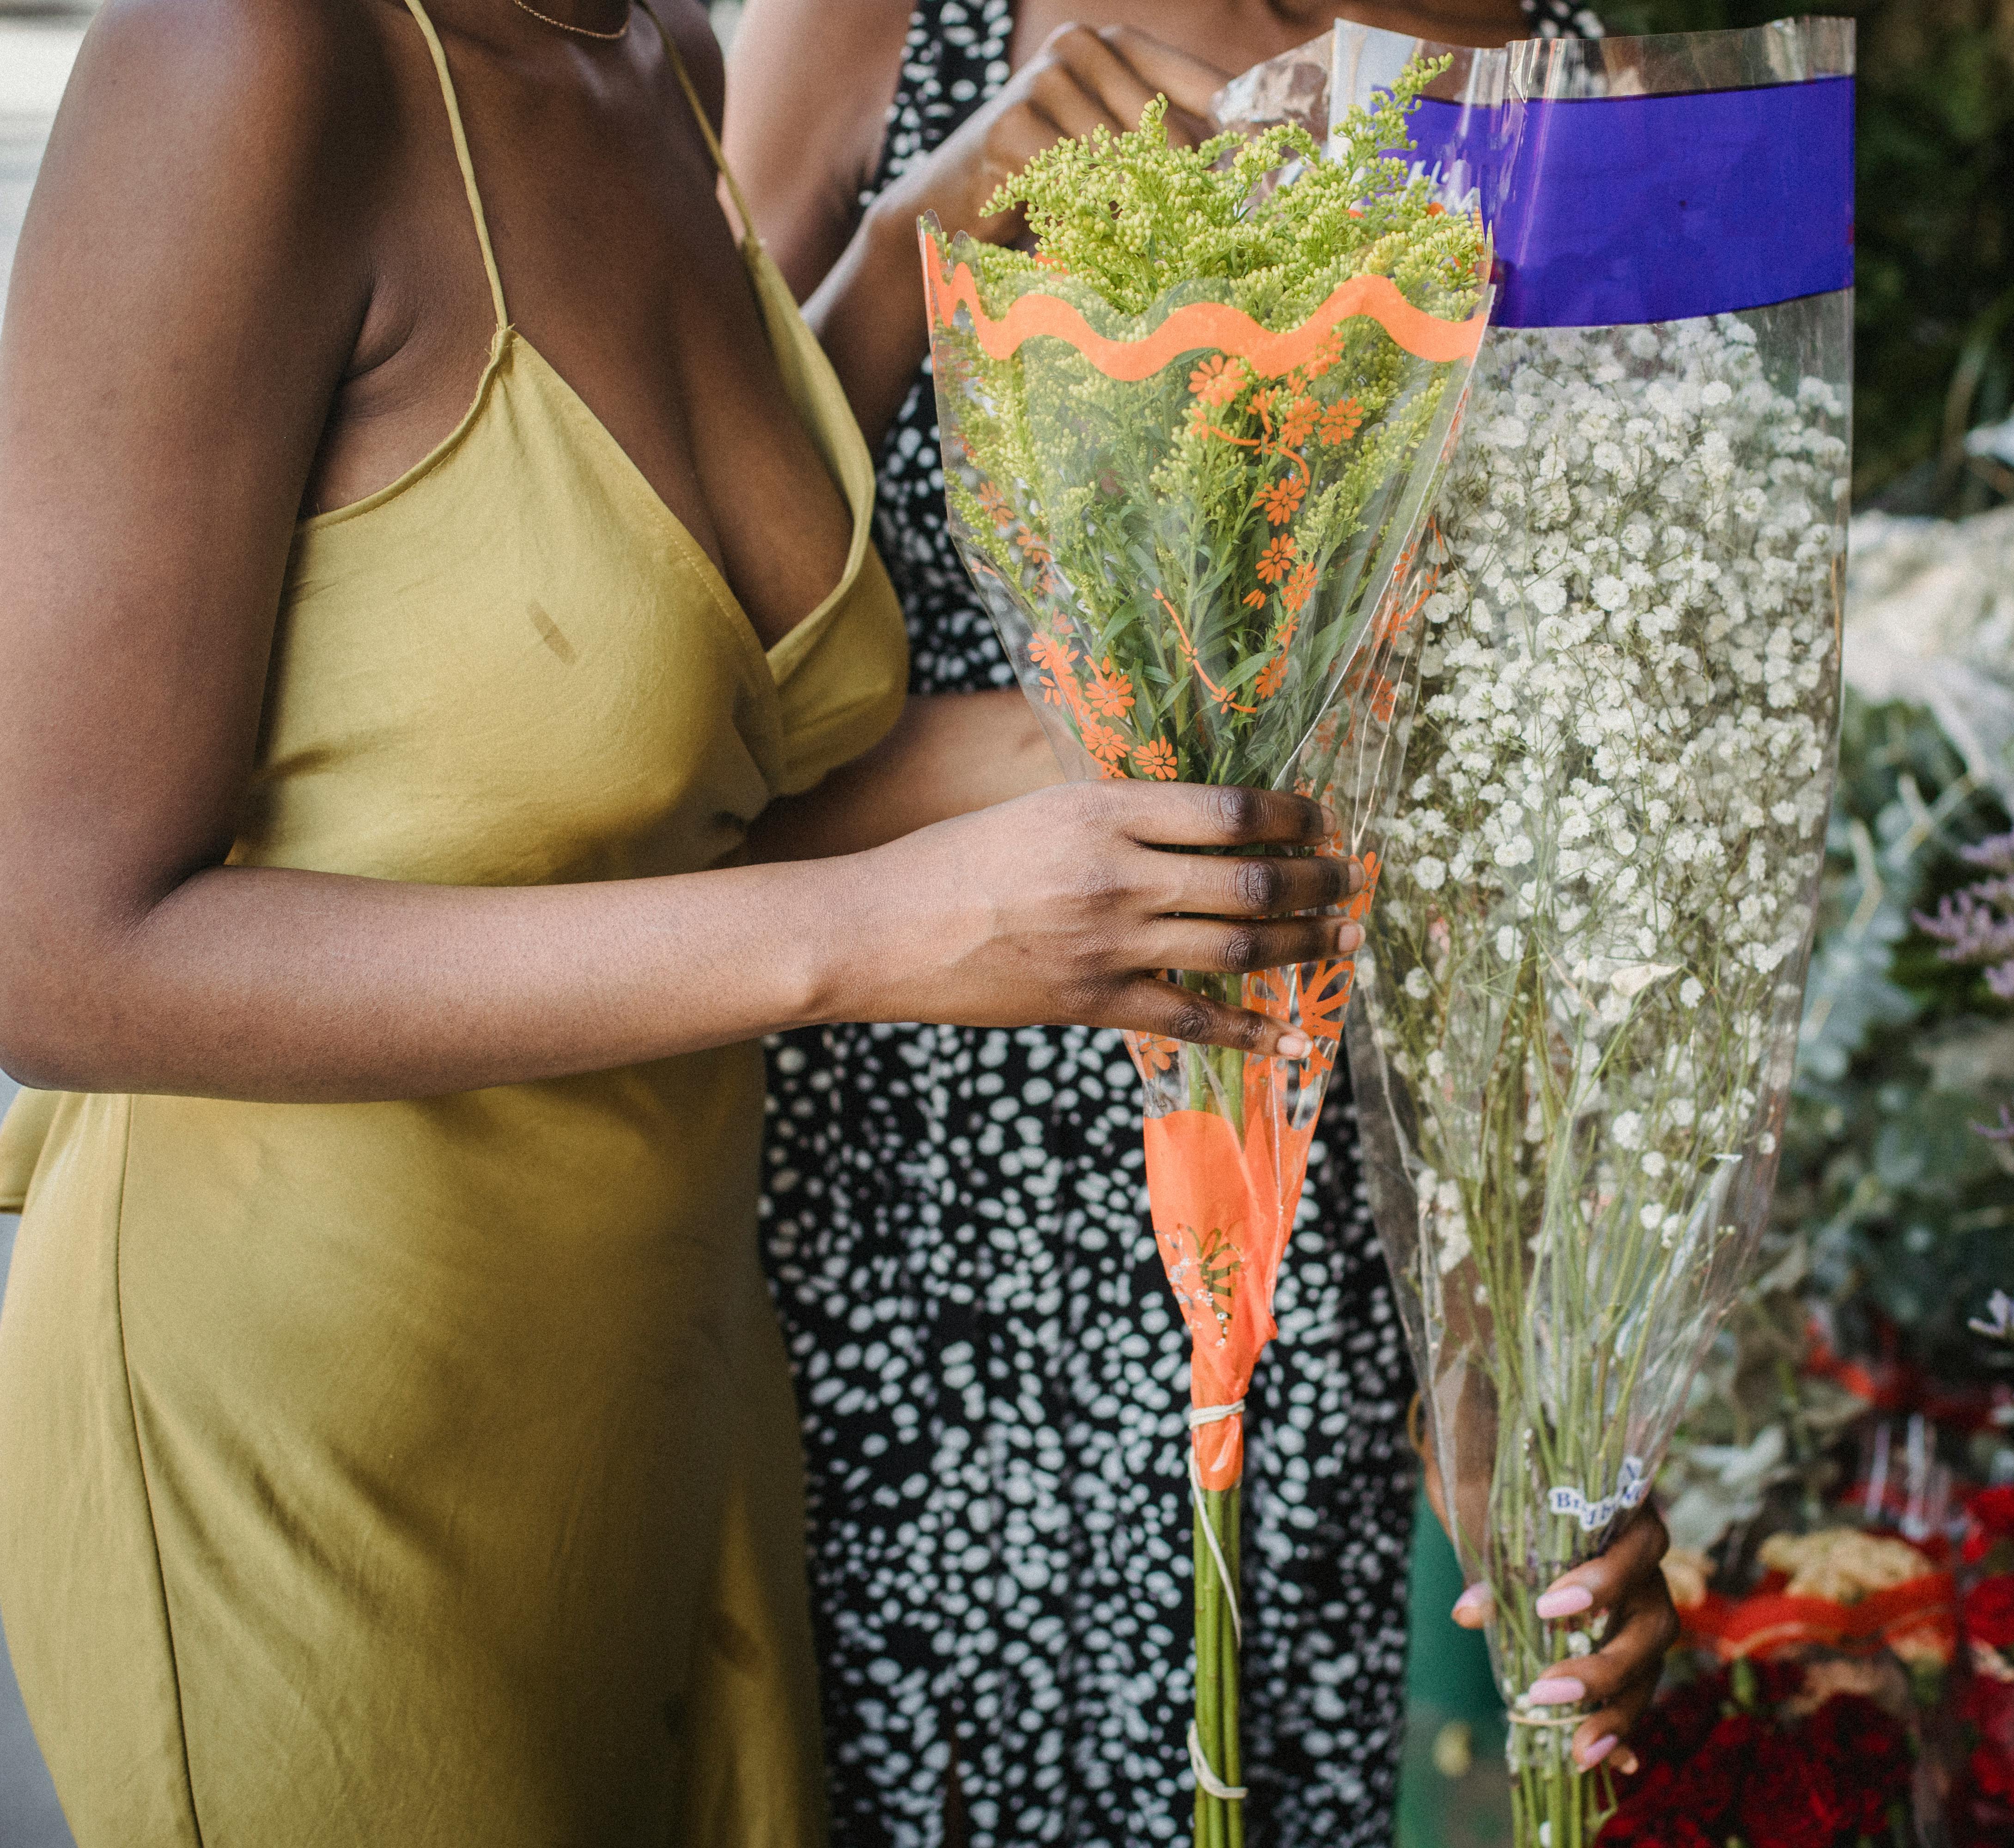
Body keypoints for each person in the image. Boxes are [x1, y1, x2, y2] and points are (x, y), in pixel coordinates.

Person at [0, 0, 1363, 1840]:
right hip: (322, 1427)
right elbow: (56, 951)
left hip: (663, 1379)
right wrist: (872, 935)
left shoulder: (658, 58)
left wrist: (924, 255)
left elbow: (645, 698)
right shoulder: (250, 62)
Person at [721, 7, 1677, 1845]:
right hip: (924, 1226)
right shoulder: (880, 27)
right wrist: (932, 230)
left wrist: (1525, 1375)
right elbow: (677, 679)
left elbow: (1568, 820)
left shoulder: (1560, 78)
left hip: (1330, 1244)